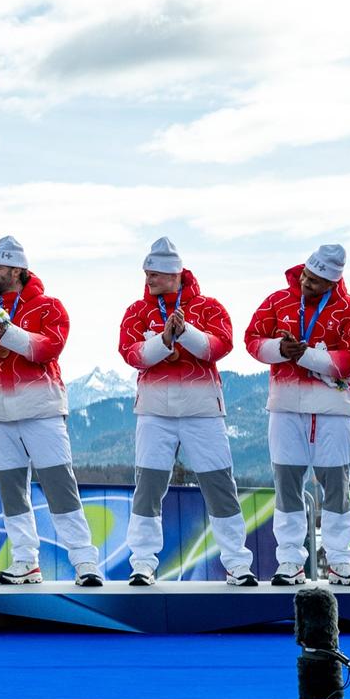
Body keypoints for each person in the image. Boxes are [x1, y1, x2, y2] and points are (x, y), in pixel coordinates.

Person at [0, 237, 101, 586]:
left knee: (60, 488)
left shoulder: (49, 307)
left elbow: (46, 349)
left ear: (17, 270)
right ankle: (25, 561)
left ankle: (84, 561)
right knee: (12, 493)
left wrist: (7, 331)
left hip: (41, 412)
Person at [115, 238, 255, 586]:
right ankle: (143, 562)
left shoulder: (209, 307)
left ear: (175, 274)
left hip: (202, 411)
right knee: (148, 488)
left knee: (219, 486)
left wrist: (185, 332)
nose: (148, 278)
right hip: (153, 412)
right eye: (146, 272)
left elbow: (218, 347)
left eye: (156, 273)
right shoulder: (135, 311)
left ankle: (237, 563)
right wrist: (163, 341)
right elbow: (131, 354)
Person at [245, 245, 350, 586]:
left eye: (315, 282)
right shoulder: (277, 301)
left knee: (336, 487)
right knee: (287, 485)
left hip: (333, 410)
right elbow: (252, 339)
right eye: (304, 276)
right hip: (286, 407)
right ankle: (289, 560)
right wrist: (278, 349)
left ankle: (341, 561)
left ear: (332, 282)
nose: (305, 283)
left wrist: (305, 357)